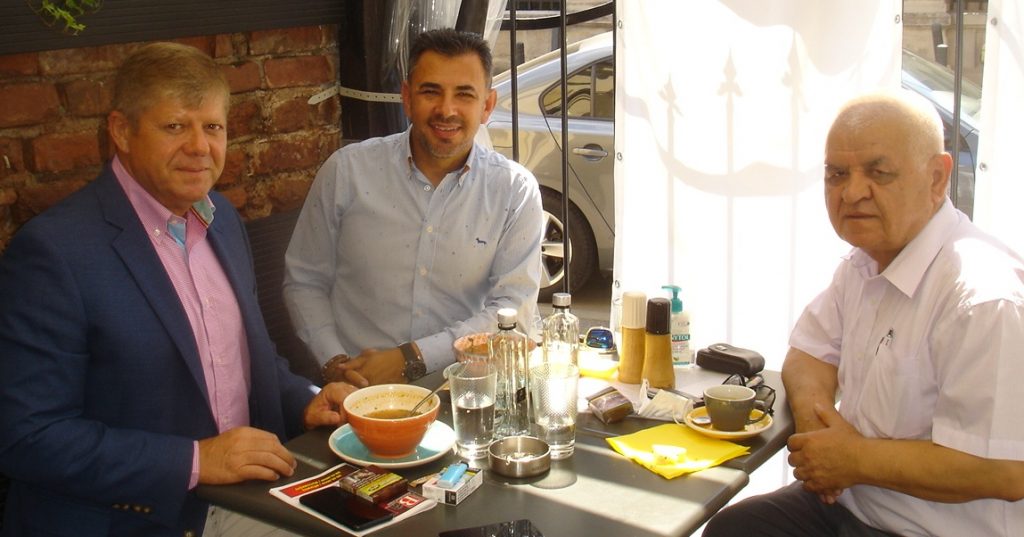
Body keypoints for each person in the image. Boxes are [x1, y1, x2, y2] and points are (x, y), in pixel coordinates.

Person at [0, 42, 357, 537]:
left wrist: (305, 399)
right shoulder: (53, 252)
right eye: (174, 126)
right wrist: (194, 460)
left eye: (212, 127)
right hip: (132, 519)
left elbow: (242, 359)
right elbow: (27, 436)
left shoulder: (221, 218)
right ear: (121, 131)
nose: (199, 146)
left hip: (249, 499)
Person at [703, 90, 1024, 537]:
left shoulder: (984, 297)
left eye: (879, 172)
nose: (852, 193)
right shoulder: (866, 262)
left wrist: (852, 459)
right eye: (837, 174)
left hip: (929, 528)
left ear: (937, 178)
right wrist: (821, 439)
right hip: (850, 502)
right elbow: (809, 352)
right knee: (734, 528)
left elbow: (1005, 470)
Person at [283, 28, 543, 387]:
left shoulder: (514, 191)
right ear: (406, 98)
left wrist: (412, 358)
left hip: (465, 394)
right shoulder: (347, 171)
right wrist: (335, 364)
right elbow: (305, 280)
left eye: (464, 94)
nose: (446, 110)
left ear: (487, 106)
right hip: (356, 392)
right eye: (430, 91)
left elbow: (511, 312)